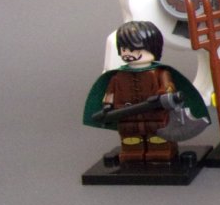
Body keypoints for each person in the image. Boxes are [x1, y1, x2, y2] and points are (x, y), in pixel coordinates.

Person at [83, 21, 207, 163]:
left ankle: (160, 152)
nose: (129, 54)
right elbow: (110, 92)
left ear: (152, 49)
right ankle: (132, 154)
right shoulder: (118, 76)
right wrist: (107, 105)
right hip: (126, 116)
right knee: (130, 136)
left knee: (157, 136)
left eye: (135, 50)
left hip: (155, 114)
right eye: (124, 49)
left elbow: (168, 87)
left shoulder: (160, 73)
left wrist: (162, 95)